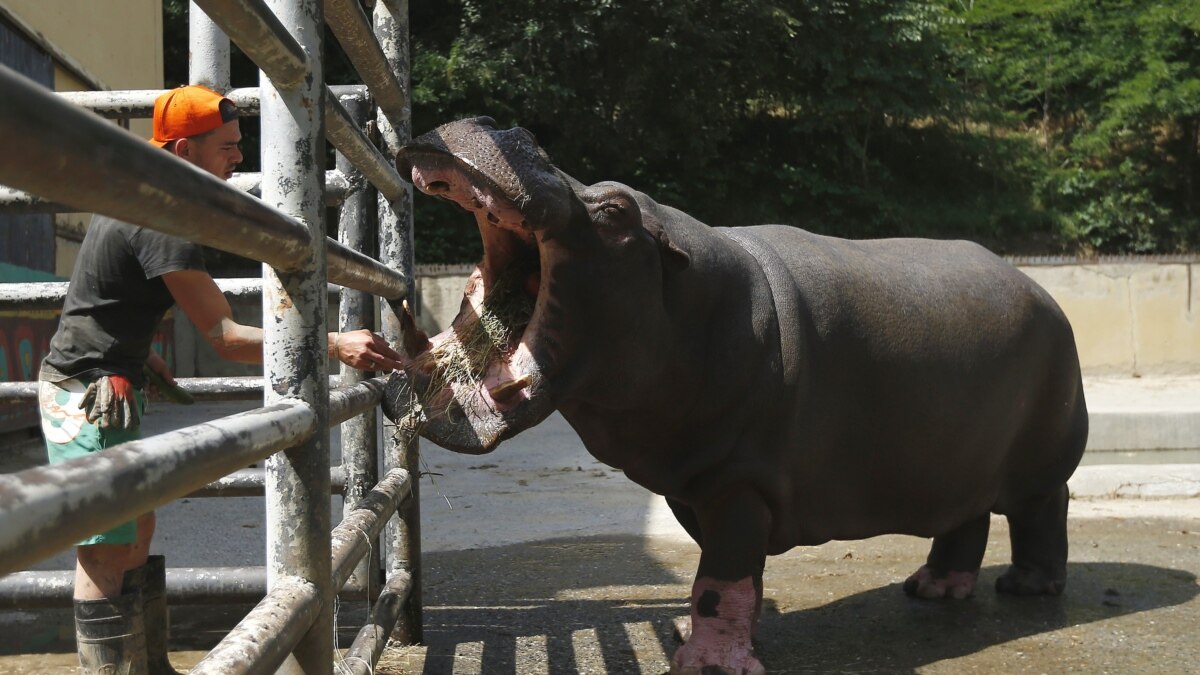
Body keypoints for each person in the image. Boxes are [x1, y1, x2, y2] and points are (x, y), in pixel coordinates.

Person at [37, 84, 404, 674]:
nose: (238, 156)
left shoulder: (143, 191)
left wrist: (136, 354)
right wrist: (335, 343)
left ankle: (147, 667)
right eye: (228, 146)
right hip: (89, 391)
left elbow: (103, 294)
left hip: (105, 379)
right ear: (185, 149)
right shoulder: (163, 215)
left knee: (133, 530)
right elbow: (225, 337)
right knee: (106, 549)